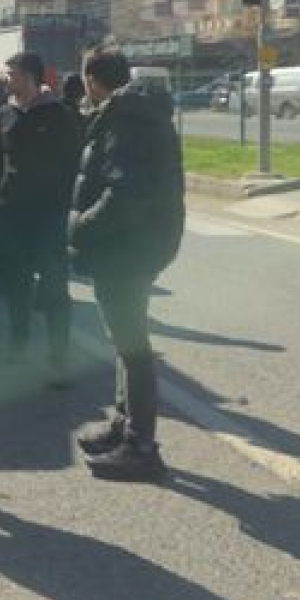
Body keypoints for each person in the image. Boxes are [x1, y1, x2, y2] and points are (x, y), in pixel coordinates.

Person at [70, 47, 184, 483]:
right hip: (139, 243)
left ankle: (141, 446)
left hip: (126, 247)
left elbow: (122, 193)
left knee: (132, 346)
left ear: (93, 81)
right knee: (125, 342)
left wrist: (80, 227)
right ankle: (125, 427)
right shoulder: (135, 113)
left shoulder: (125, 121)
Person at [0, 51, 82, 377]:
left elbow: (74, 166)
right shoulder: (2, 115)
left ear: (29, 77)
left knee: (55, 287)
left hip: (49, 216)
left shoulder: (61, 115)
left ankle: (60, 358)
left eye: (11, 74)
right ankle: (19, 342)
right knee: (17, 284)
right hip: (12, 214)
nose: (7, 80)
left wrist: (67, 208)